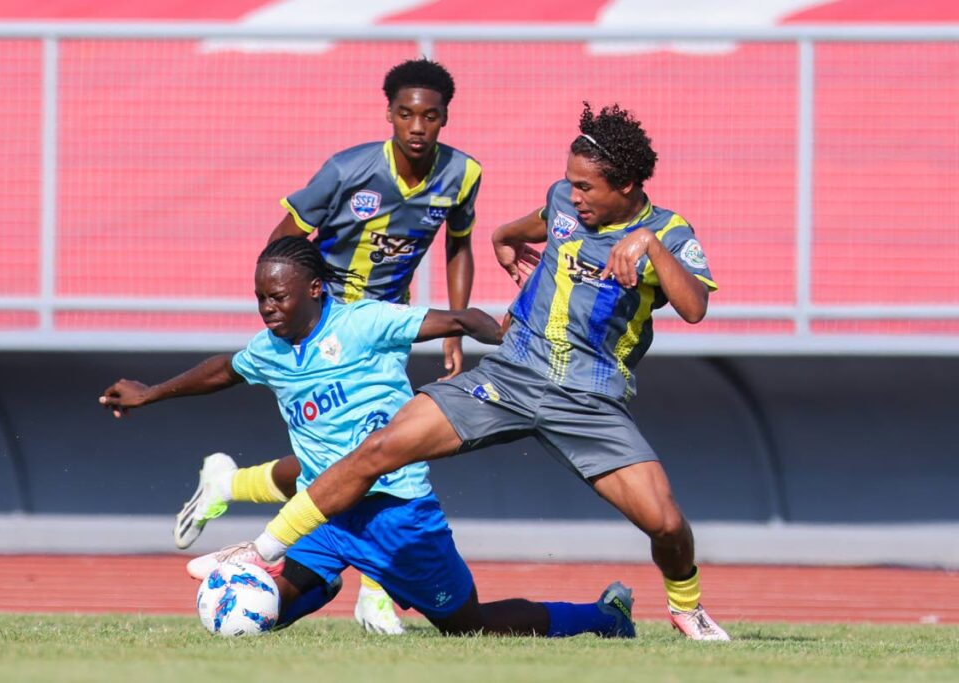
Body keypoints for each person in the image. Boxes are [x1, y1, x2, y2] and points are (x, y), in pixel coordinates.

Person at [232, 103, 732, 641]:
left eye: (587, 187)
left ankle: (687, 610)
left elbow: (695, 306)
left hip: (587, 399)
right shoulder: (565, 201)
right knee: (380, 448)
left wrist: (649, 245)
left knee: (666, 524)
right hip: (511, 374)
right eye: (571, 183)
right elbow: (535, 224)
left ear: (628, 184)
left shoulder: (669, 232)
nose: (575, 195)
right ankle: (260, 550)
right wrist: (503, 239)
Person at [99, 236, 636, 639]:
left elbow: (456, 319)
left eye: (277, 297)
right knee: (262, 614)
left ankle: (603, 617)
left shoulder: (365, 323)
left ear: (314, 290)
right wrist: (151, 393)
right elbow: (223, 370)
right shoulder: (271, 348)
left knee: (470, 626)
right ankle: (320, 577)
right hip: (324, 514)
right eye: (260, 298)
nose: (267, 309)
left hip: (397, 515)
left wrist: (504, 337)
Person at [178, 57, 482, 634]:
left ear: (444, 119)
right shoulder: (348, 171)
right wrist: (298, 298)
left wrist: (458, 327)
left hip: (390, 321)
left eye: (431, 116)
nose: (417, 127)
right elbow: (284, 236)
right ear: (389, 114)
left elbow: (458, 245)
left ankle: (232, 485)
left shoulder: (463, 174)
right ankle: (375, 592)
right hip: (335, 320)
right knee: (375, 453)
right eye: (405, 114)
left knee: (365, 454)